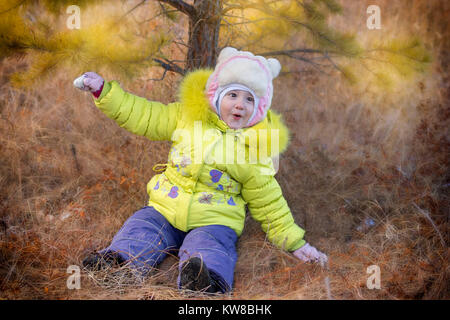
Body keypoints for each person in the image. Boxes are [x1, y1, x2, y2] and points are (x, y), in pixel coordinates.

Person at [75, 47, 327, 293]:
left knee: (210, 246)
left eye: (249, 99)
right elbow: (145, 115)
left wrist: (295, 243)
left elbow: (268, 200)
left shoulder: (254, 149)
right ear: (217, 96)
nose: (240, 105)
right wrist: (103, 91)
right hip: (165, 208)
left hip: (215, 220)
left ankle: (204, 280)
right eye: (233, 95)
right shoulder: (188, 117)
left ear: (259, 109)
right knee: (141, 227)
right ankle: (118, 266)